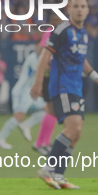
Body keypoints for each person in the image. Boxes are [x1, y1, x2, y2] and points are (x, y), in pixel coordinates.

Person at [30, 0, 98, 190]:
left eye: (83, 6)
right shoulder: (62, 30)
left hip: (76, 87)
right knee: (73, 129)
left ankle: (58, 175)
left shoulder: (83, 33)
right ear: (70, 10)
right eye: (76, 6)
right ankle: (48, 167)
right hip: (62, 86)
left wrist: (96, 77)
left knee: (77, 133)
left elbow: (83, 62)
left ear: (88, 10)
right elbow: (45, 54)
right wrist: (38, 82)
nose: (80, 9)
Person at [0, 42, 47, 149]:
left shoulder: (43, 59)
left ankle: (27, 125)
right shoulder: (33, 58)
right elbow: (40, 70)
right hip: (22, 92)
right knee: (19, 116)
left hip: (30, 93)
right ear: (36, 47)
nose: (41, 49)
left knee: (48, 109)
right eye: (40, 46)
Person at [33, 14, 65, 156]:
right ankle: (40, 143)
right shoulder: (49, 33)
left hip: (55, 75)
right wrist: (46, 64)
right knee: (52, 110)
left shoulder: (57, 33)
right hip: (48, 76)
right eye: (59, 20)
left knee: (53, 111)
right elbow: (42, 51)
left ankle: (45, 142)